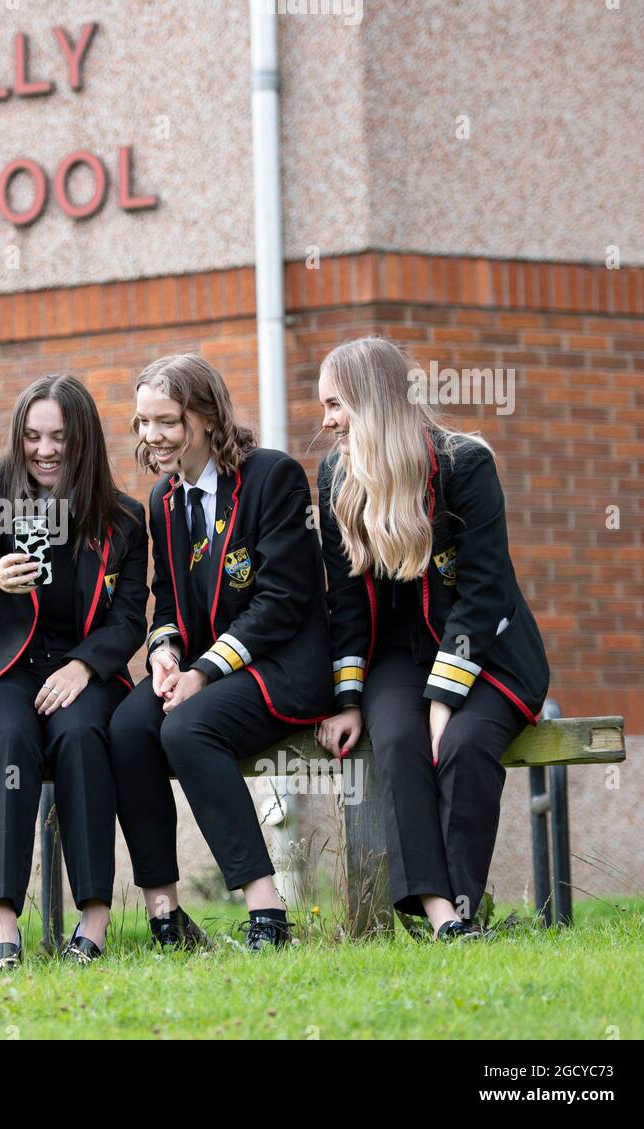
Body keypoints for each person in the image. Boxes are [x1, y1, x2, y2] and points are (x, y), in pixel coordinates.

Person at [313, 336, 549, 940]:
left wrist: (443, 700)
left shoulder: (466, 463)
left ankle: (463, 906)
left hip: (489, 652)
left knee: (466, 745)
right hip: (397, 656)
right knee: (396, 741)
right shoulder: (336, 473)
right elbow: (344, 599)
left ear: (374, 400)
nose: (327, 421)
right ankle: (442, 917)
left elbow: (485, 590)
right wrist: (346, 699)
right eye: (325, 406)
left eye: (337, 404)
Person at [108, 354, 331, 952]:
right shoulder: (164, 499)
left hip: (284, 667)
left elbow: (283, 602)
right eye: (142, 422)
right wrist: (167, 653)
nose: (151, 436)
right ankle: (166, 917)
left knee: (185, 730)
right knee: (127, 726)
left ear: (206, 418)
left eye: (166, 421)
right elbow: (168, 602)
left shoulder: (273, 478)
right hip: (211, 669)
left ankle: (267, 914)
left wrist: (203, 671)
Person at [0, 374, 147, 967]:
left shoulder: (124, 520)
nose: (45, 450)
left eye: (59, 436)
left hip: (81, 671)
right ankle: (3, 925)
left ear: (82, 438)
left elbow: (130, 618)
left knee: (82, 736)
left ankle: (95, 918)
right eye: (32, 436)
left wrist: (86, 666)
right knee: (9, 738)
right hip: (3, 668)